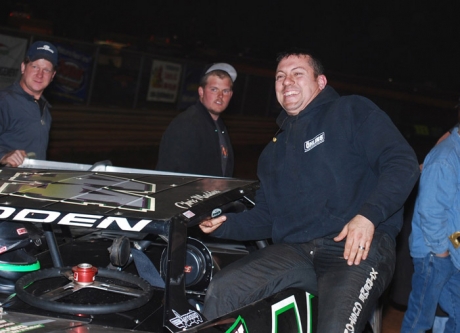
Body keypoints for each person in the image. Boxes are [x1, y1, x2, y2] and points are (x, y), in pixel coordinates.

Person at [199, 49, 420, 332]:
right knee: (224, 288)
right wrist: (221, 226)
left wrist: (368, 216)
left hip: (354, 248)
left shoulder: (351, 110)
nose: (286, 81)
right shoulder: (271, 153)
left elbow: (402, 162)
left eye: (297, 74)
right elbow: (267, 217)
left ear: (321, 82)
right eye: (280, 77)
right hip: (297, 251)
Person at [400, 124, 460, 333]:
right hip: (434, 255)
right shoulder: (445, 157)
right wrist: (441, 253)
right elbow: (431, 211)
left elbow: (454, 216)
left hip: (449, 253)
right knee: (420, 319)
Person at [156, 63, 236, 177]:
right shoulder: (186, 124)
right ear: (201, 92)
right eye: (214, 89)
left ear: (231, 95)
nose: (220, 96)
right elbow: (172, 176)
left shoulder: (219, 126)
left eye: (225, 91)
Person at [0, 40, 58, 167]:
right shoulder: (5, 101)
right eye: (35, 66)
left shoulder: (44, 110)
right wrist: (3, 155)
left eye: (46, 70)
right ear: (23, 67)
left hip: (29, 185)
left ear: (53, 75)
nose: (40, 74)